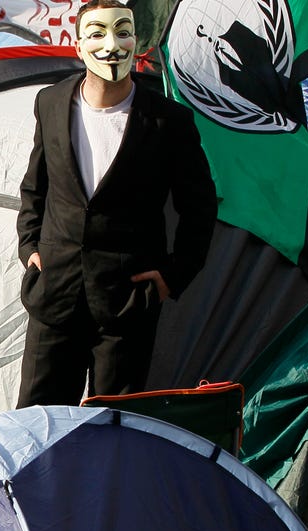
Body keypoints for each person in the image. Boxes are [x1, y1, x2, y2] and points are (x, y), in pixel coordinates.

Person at [15, 0, 217, 407]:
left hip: (128, 302)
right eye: (97, 34)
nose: (112, 45)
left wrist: (172, 276)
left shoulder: (169, 121)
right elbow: (35, 187)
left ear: (136, 41)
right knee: (35, 423)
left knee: (114, 429)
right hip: (55, 292)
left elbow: (200, 207)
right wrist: (30, 249)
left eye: (122, 32)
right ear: (78, 45)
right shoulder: (50, 103)